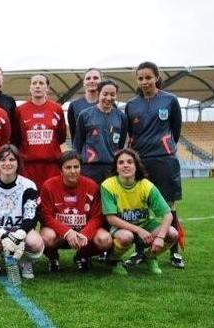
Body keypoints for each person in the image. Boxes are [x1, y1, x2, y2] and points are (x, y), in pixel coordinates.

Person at [124, 61, 185, 268]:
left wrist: (164, 147)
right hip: (140, 162)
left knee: (169, 205)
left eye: (148, 77)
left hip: (164, 160)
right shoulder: (131, 105)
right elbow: (131, 134)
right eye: (140, 78)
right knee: (140, 208)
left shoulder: (170, 100)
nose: (145, 82)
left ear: (157, 77)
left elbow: (175, 130)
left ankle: (174, 253)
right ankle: (141, 251)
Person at [101, 149, 178, 275]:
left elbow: (168, 214)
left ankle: (149, 256)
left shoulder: (146, 185)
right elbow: (111, 219)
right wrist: (138, 230)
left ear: (136, 166)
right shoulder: (108, 185)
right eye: (121, 162)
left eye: (130, 162)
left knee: (172, 233)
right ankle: (114, 260)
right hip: (121, 226)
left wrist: (160, 237)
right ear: (116, 167)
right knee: (126, 237)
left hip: (145, 224)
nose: (125, 165)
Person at [0, 145, 43, 279]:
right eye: (3, 160)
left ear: (18, 163)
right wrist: (2, 235)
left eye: (12, 159)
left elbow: (32, 216)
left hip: (19, 229)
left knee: (35, 244)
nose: (7, 163)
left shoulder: (29, 185)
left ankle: (25, 261)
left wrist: (19, 234)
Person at [40, 151, 112, 272]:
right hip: (60, 233)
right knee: (46, 237)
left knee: (105, 240)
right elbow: (46, 216)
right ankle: (53, 257)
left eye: (76, 167)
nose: (73, 171)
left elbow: (97, 217)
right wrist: (67, 232)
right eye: (68, 167)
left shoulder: (91, 186)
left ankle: (82, 255)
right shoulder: (49, 186)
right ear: (61, 170)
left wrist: (85, 233)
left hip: (83, 232)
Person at [13, 74, 67, 189]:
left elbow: (61, 137)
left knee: (50, 200)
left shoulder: (57, 109)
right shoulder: (20, 110)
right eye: (34, 83)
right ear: (30, 87)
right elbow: (16, 138)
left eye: (41, 83)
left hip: (52, 166)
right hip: (28, 167)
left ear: (47, 88)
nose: (37, 86)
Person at [73, 80, 127, 184]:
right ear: (98, 93)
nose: (108, 98)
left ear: (116, 95)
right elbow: (78, 143)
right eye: (105, 94)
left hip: (112, 168)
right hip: (89, 168)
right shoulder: (85, 115)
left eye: (112, 94)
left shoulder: (122, 117)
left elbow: (120, 145)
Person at [67, 68, 102, 144]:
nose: (91, 81)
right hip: (83, 153)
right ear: (84, 83)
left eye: (95, 78)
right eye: (88, 78)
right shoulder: (74, 105)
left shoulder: (110, 105)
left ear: (101, 82)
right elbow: (74, 134)